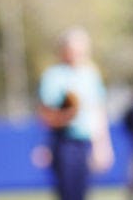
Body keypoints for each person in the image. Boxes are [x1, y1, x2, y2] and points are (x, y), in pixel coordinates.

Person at [38, 26, 114, 200]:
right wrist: (66, 115)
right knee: (67, 192)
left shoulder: (90, 75)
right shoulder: (53, 76)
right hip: (64, 141)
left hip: (85, 142)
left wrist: (102, 145)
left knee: (82, 192)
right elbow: (46, 114)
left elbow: (98, 111)